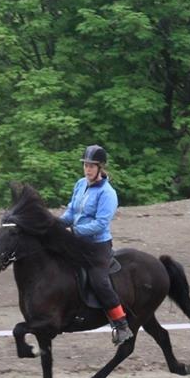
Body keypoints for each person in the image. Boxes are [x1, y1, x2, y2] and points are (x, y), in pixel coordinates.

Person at [59, 144, 131, 345]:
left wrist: (74, 231)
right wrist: (56, 224)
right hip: (76, 242)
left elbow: (100, 224)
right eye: (85, 165)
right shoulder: (80, 184)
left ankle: (121, 323)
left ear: (100, 167)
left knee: (99, 281)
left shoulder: (108, 193)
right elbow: (72, 212)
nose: (87, 169)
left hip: (97, 247)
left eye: (91, 166)